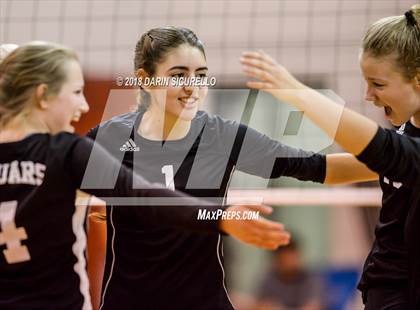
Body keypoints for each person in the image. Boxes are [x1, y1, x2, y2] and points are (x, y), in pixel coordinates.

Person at [86, 26, 374, 310]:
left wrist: (401, 160)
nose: (192, 87)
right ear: (145, 80)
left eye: (200, 75)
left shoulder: (221, 136)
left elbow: (320, 167)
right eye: (178, 75)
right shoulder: (110, 138)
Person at [0, 42, 291, 309]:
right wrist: (222, 217)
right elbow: (141, 195)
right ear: (41, 95)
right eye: (77, 92)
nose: (85, 106)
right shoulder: (65, 152)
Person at [240, 5, 420, 309]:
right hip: (388, 293)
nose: (368, 95)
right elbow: (339, 168)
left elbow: (383, 150)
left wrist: (299, 93)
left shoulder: (400, 148)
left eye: (378, 84)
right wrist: (262, 156)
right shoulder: (406, 131)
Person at [256, 239, 323, 310]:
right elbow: (260, 305)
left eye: (290, 257)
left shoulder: (310, 278)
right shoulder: (269, 278)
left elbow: (314, 306)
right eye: (282, 259)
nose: (287, 262)